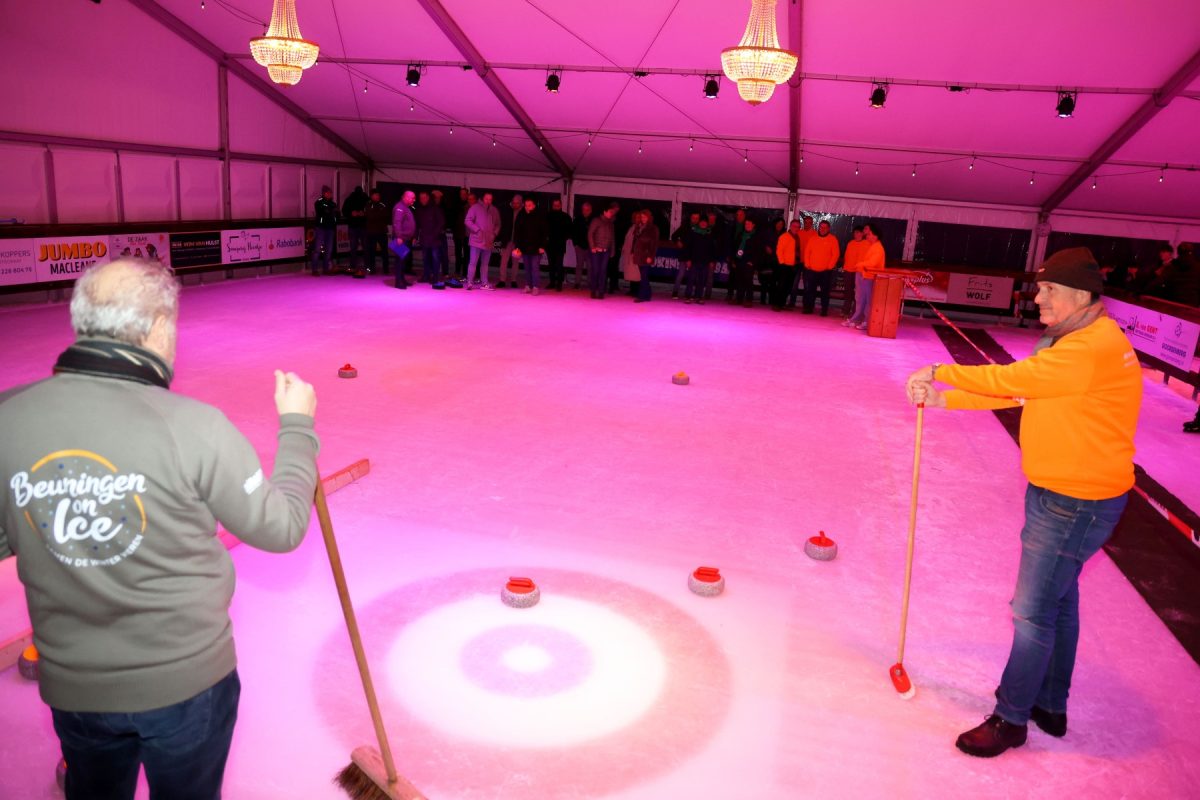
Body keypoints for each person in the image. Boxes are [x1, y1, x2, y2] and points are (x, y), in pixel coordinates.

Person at [0, 258, 320, 799]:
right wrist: (298, 430)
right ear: (157, 328)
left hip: (76, 687)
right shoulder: (195, 427)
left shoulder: (8, 416)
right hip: (186, 684)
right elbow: (282, 527)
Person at [905, 247, 1142, 759]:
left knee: (1032, 612)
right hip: (1067, 490)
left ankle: (1011, 718)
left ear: (1080, 294)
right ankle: (1049, 703)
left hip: (1075, 500)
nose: (1037, 298)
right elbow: (1028, 393)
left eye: (1049, 289)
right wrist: (945, 399)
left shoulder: (1089, 348)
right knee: (1059, 601)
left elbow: (1014, 380)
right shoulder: (1078, 338)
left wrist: (942, 370)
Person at [843, 222, 885, 329]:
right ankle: (858, 319)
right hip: (864, 275)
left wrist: (859, 264)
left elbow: (872, 263)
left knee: (866, 300)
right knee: (861, 299)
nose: (867, 236)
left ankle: (864, 321)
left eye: (869, 234)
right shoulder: (873, 246)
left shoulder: (877, 248)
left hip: (869, 276)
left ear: (875, 236)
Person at [463, 191, 500, 290]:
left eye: (490, 199)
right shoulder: (475, 207)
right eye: (487, 199)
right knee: (473, 262)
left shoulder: (494, 210)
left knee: (485, 264)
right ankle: (470, 282)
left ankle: (484, 282)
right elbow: (467, 220)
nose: (488, 201)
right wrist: (477, 230)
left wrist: (494, 234)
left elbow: (498, 224)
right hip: (476, 240)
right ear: (483, 198)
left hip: (488, 241)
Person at [802, 220, 840, 316]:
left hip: (825, 271)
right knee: (810, 291)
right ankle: (809, 308)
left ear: (829, 229)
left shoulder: (833, 239)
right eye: (821, 227)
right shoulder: (813, 238)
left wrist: (829, 266)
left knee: (825, 292)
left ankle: (824, 310)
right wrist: (807, 264)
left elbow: (835, 254)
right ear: (819, 227)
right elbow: (807, 252)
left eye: (825, 227)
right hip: (812, 270)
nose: (823, 229)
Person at [512, 197, 547, 294]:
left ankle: (535, 286)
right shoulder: (521, 215)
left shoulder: (539, 215)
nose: (527, 207)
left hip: (536, 247)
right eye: (526, 205)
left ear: (534, 206)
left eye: (530, 205)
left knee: (534, 267)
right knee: (527, 268)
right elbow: (517, 231)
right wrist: (517, 246)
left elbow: (544, 232)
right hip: (524, 247)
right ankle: (528, 285)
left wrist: (542, 246)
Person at [681, 216, 717, 305]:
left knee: (702, 280)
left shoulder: (710, 234)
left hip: (705, 262)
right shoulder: (693, 233)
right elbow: (687, 247)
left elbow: (712, 249)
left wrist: (712, 260)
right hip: (694, 260)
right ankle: (688, 296)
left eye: (705, 222)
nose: (703, 224)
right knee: (691, 279)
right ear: (699, 223)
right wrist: (688, 259)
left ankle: (699, 296)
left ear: (707, 223)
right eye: (702, 222)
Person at [730, 218, 765, 308]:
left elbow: (759, 251)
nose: (747, 226)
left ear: (753, 225)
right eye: (746, 224)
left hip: (749, 262)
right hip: (739, 260)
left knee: (748, 281)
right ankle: (739, 299)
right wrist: (733, 260)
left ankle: (749, 299)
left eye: (749, 224)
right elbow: (735, 247)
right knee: (739, 280)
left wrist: (753, 262)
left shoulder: (757, 236)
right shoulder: (741, 234)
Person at [414, 191, 446, 288]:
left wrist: (435, 234)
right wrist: (415, 236)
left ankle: (435, 277)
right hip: (424, 238)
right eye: (421, 198)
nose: (422, 200)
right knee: (425, 258)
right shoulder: (419, 209)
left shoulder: (435, 208)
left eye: (424, 198)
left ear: (428, 198)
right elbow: (417, 224)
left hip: (434, 239)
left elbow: (441, 222)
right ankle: (426, 276)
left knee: (435, 258)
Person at [587, 203, 618, 299]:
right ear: (605, 212)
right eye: (610, 212)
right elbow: (590, 234)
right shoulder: (596, 220)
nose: (611, 214)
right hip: (596, 251)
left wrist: (612, 250)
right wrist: (592, 247)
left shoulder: (611, 223)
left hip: (606, 251)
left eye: (612, 212)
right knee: (595, 270)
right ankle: (593, 290)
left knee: (603, 271)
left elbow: (612, 238)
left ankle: (601, 291)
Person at [631, 210, 660, 303]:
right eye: (642, 217)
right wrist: (633, 251)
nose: (643, 219)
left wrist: (650, 256)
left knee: (644, 275)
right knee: (643, 276)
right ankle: (647, 295)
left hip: (646, 255)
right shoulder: (638, 227)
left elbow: (654, 244)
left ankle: (643, 295)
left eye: (645, 217)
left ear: (649, 217)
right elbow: (635, 240)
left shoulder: (653, 228)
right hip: (639, 254)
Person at [772, 219, 802, 311]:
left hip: (794, 265)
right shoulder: (784, 236)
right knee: (781, 285)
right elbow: (779, 250)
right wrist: (782, 263)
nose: (796, 228)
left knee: (788, 286)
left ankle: (782, 303)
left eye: (798, 227)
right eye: (794, 226)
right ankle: (776, 304)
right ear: (790, 226)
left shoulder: (797, 237)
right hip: (784, 265)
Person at [788, 215, 817, 307]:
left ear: (812, 223)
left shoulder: (815, 235)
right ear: (803, 223)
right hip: (797, 262)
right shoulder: (798, 232)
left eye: (809, 223)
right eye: (805, 222)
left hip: (808, 264)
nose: (807, 224)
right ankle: (792, 303)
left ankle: (806, 305)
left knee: (807, 285)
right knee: (794, 283)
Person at [672, 212, 702, 299]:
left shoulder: (700, 228)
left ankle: (690, 293)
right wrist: (678, 241)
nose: (695, 220)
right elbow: (674, 236)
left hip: (695, 255)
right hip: (684, 253)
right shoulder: (685, 226)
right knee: (681, 273)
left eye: (697, 218)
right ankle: (675, 292)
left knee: (694, 275)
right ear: (690, 218)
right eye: (693, 217)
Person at [496, 194, 524, 289]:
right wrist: (501, 239)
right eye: (514, 203)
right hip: (506, 240)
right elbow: (502, 225)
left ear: (521, 203)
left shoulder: (523, 213)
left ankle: (513, 280)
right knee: (503, 261)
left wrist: (521, 242)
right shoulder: (507, 211)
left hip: (517, 242)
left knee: (515, 262)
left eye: (517, 203)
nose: (515, 205)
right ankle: (502, 280)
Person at [546, 198, 573, 292]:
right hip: (549, 244)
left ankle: (559, 284)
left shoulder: (566, 217)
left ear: (561, 205)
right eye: (554, 205)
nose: (556, 207)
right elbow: (544, 229)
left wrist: (564, 238)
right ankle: (552, 282)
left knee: (559, 264)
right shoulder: (548, 216)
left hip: (560, 244)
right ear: (552, 205)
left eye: (557, 205)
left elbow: (570, 230)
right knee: (551, 265)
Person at [390, 190, 416, 289]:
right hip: (401, 238)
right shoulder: (400, 207)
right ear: (406, 197)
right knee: (400, 261)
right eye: (412, 198)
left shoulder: (405, 207)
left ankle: (402, 279)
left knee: (403, 260)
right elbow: (397, 223)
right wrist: (399, 236)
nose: (414, 200)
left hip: (405, 238)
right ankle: (399, 282)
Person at [840, 225, 867, 318]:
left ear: (862, 234)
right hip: (848, 271)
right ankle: (846, 310)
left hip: (859, 272)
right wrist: (845, 268)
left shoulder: (867, 244)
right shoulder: (850, 243)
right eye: (855, 232)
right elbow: (846, 256)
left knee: (858, 294)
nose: (856, 234)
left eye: (858, 232)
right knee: (848, 292)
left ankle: (856, 312)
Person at [311, 185, 338, 277]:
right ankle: (314, 269)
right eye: (328, 192)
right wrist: (329, 211)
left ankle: (326, 268)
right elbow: (322, 211)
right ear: (324, 193)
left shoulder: (333, 203)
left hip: (330, 228)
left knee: (329, 249)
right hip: (321, 228)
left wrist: (331, 213)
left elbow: (336, 213)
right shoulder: (319, 202)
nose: (330, 194)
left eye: (330, 192)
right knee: (317, 249)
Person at [363, 188, 391, 277]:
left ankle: (386, 268)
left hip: (382, 231)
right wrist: (379, 215)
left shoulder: (383, 205)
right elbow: (370, 216)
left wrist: (378, 216)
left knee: (384, 251)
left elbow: (386, 215)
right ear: (372, 196)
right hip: (371, 232)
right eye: (376, 195)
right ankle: (372, 268)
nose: (378, 196)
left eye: (378, 195)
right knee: (371, 251)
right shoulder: (368, 205)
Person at [341, 185, 368, 277]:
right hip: (354, 226)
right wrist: (351, 213)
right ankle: (356, 265)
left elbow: (370, 211)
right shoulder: (351, 199)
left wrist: (364, 213)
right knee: (355, 247)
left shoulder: (364, 199)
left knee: (360, 247)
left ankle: (362, 266)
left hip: (361, 226)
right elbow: (344, 211)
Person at [571, 201, 594, 289]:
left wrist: (594, 245)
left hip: (590, 247)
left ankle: (590, 283)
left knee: (590, 266)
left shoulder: (594, 220)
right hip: (579, 246)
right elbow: (573, 232)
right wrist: (575, 244)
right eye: (584, 210)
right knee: (579, 265)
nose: (585, 211)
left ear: (591, 210)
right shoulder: (577, 219)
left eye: (587, 210)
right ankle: (577, 282)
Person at [452, 187, 472, 279]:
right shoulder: (456, 205)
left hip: (467, 234)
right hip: (457, 233)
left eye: (464, 194)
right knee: (458, 254)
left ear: (467, 195)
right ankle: (457, 271)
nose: (462, 195)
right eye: (461, 194)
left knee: (467, 254)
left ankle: (465, 273)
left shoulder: (470, 206)